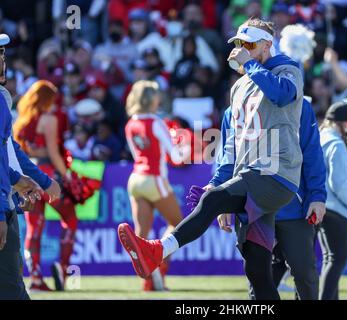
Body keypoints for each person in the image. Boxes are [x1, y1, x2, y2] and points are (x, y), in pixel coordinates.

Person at [118, 18, 304, 300]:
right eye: (239, 44)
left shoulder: (286, 68)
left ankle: (156, 251)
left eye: (248, 44)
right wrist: (218, 180)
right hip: (249, 175)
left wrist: (251, 65)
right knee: (257, 273)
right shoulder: (240, 86)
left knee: (212, 202)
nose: (241, 50)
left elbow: (282, 95)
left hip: (275, 172)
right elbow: (231, 141)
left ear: (267, 45)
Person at [211, 98, 326, 300]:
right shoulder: (234, 109)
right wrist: (223, 201)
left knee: (305, 273)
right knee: (258, 276)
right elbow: (227, 160)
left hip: (294, 207)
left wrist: (317, 195)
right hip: (253, 206)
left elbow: (312, 152)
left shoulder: (300, 105)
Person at [13, 80, 97, 292]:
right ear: (46, 99)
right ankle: (63, 266)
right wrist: (66, 175)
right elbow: (52, 151)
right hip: (47, 175)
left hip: (27, 177)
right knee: (70, 218)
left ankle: (35, 279)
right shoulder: (48, 119)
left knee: (34, 228)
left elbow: (22, 152)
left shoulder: (21, 121)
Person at [0, 34, 60, 299]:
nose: (3, 61)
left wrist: (18, 180)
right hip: (4, 204)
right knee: (13, 290)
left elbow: (8, 151)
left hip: (10, 193)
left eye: (2, 54)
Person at [124, 80, 187, 291]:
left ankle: (148, 281)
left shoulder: (130, 124)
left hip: (135, 179)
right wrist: (185, 148)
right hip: (154, 179)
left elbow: (136, 154)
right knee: (178, 225)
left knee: (141, 234)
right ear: (152, 100)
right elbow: (175, 155)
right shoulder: (156, 122)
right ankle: (159, 267)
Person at [319, 100, 347, 300]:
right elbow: (338, 182)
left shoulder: (321, 138)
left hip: (321, 206)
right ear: (343, 123)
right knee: (337, 259)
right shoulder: (336, 143)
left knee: (330, 259)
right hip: (335, 208)